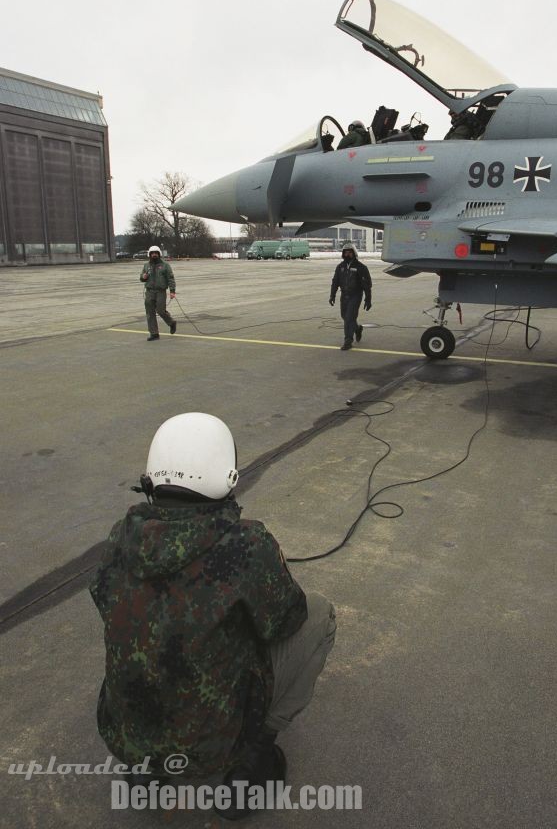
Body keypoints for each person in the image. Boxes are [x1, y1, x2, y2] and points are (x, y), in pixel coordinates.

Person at [90, 412, 336, 818]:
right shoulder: (246, 544)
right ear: (228, 477)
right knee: (319, 614)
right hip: (213, 740)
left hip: (124, 731)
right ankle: (249, 759)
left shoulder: (121, 536)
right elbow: (288, 619)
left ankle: (148, 770)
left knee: (145, 637)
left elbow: (108, 604)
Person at [329, 241, 372, 350]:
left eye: (350, 252)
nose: (347, 254)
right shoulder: (340, 267)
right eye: (346, 252)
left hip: (356, 295)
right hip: (344, 295)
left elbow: (367, 285)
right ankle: (357, 329)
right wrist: (332, 295)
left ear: (354, 253)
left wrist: (368, 299)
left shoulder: (361, 267)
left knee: (349, 318)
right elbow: (335, 282)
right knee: (345, 317)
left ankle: (348, 340)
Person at [140, 245, 177, 341]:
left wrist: (172, 291)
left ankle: (171, 322)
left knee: (160, 310)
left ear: (159, 254)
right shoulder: (146, 265)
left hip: (160, 291)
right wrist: (143, 277)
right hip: (149, 292)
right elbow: (141, 278)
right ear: (150, 254)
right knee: (150, 312)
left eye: (156, 253)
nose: (154, 255)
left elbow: (170, 278)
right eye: (153, 253)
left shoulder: (165, 265)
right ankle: (154, 333)